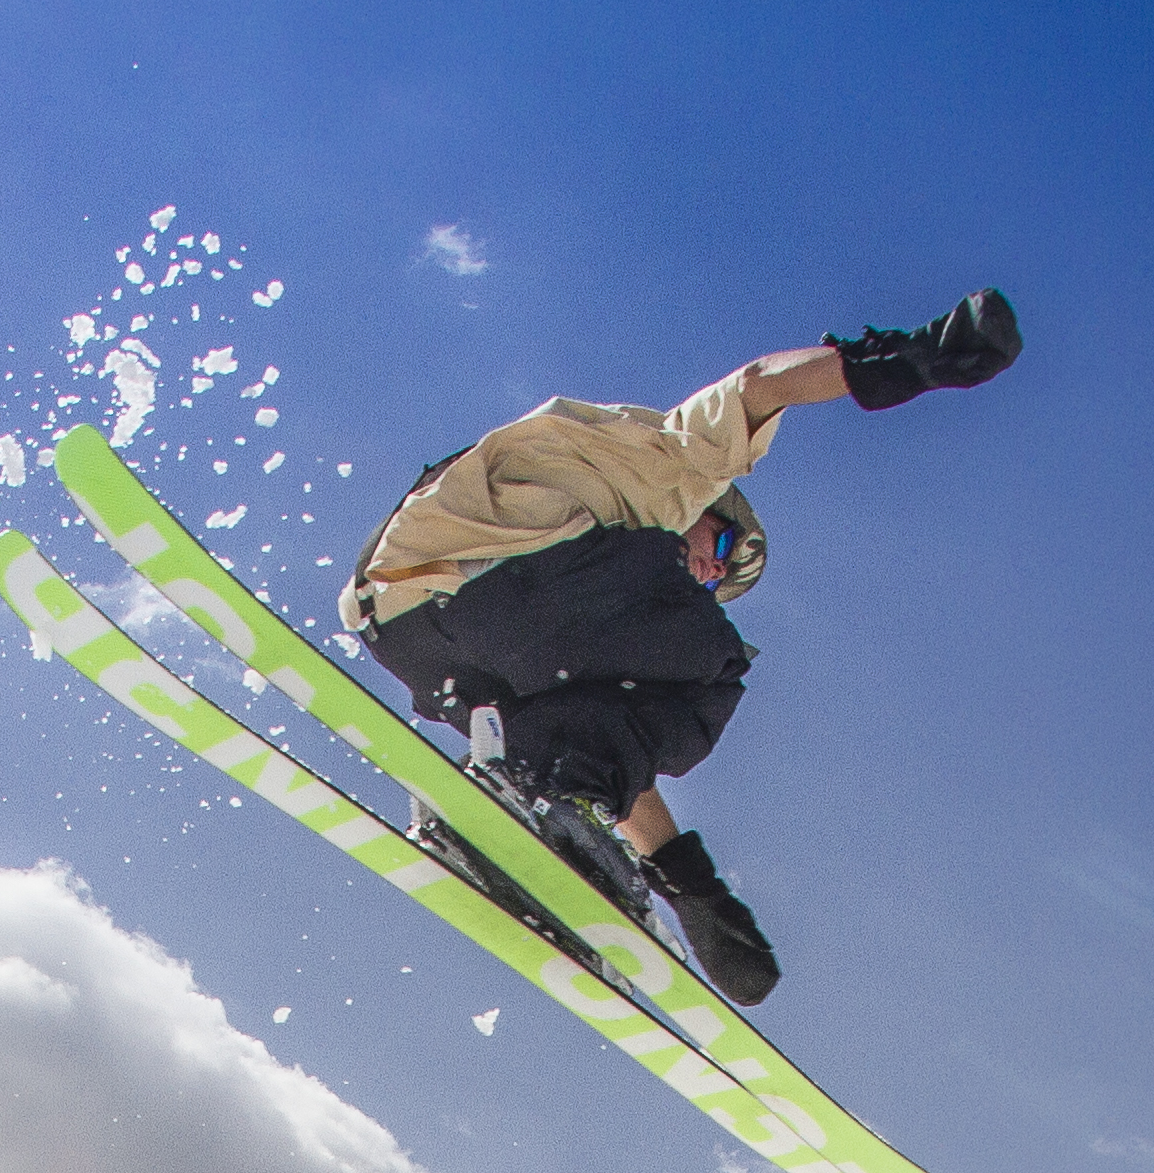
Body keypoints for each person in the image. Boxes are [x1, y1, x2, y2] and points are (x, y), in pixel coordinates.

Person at [340, 293, 1022, 1008]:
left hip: (403, 625)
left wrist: (693, 892)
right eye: (722, 550)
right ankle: (526, 794)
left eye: (723, 579)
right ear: (712, 512)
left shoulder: (604, 561)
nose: (710, 575)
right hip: (494, 576)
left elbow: (612, 746)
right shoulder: (671, 469)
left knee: (589, 730)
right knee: (710, 666)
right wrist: (910, 360)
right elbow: (757, 388)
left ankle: (509, 826)